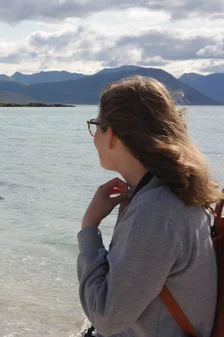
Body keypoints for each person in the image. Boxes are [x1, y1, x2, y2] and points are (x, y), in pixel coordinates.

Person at [77, 75, 222, 337]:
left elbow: (107, 319)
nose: (94, 137)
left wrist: (89, 228)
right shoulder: (174, 191)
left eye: (96, 126)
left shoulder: (157, 211)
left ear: (113, 134)